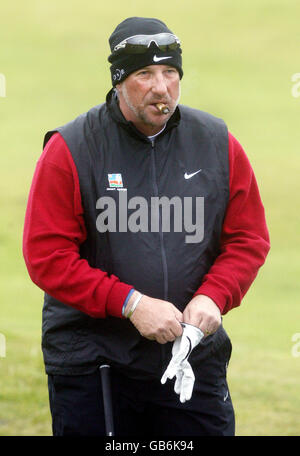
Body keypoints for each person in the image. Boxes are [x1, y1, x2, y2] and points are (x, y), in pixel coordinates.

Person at [23, 16, 270, 436]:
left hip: (190, 357)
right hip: (94, 362)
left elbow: (248, 240)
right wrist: (131, 303)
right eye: (145, 74)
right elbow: (47, 258)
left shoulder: (217, 142)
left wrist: (214, 297)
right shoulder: (71, 149)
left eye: (170, 72)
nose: (162, 87)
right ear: (119, 81)